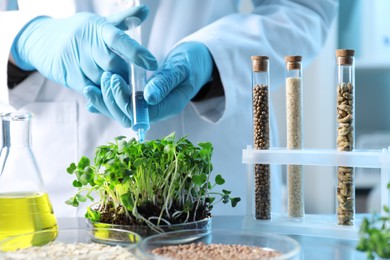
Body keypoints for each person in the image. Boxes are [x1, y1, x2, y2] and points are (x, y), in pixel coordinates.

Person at [0, 0, 338, 217]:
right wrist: (25, 39)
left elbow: (304, 9)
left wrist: (215, 56)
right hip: (57, 186)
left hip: (217, 192)